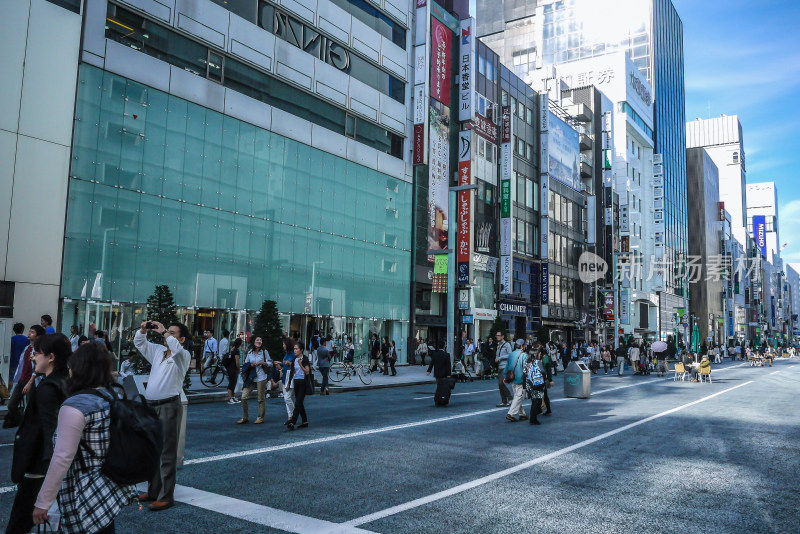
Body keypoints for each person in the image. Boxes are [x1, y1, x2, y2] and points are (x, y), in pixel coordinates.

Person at [32, 342, 136, 533]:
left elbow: (62, 457)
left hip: (82, 488)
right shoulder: (113, 395)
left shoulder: (75, 406)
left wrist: (43, 501)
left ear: (79, 369)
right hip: (108, 484)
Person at [5, 334, 70, 534]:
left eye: (36, 353)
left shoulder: (48, 388)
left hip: (38, 465)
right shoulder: (65, 382)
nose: (32, 357)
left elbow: (52, 431)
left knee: (19, 523)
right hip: (47, 465)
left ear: (51, 357)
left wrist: (51, 475)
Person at [134, 320, 191, 511]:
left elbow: (175, 348)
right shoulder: (158, 351)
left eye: (174, 333)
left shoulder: (183, 355)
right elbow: (140, 344)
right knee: (151, 450)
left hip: (169, 406)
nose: (169, 336)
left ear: (181, 339)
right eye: (169, 333)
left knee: (167, 452)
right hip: (151, 406)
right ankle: (153, 490)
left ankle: (166, 496)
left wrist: (165, 331)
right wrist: (143, 329)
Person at [5, 325, 46, 427]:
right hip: (22, 380)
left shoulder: (40, 349)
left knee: (30, 406)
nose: (29, 333)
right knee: (11, 405)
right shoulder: (27, 347)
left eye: (32, 332)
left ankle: (29, 427)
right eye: (29, 331)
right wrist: (17, 379)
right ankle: (23, 422)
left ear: (38, 336)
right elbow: (21, 365)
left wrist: (30, 382)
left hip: (32, 381)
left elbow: (37, 368)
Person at [238, 337, 270, 424]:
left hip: (261, 377)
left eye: (260, 340)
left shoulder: (264, 352)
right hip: (251, 377)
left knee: (260, 399)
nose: (259, 342)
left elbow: (270, 362)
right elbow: (245, 363)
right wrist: (251, 365)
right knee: (243, 396)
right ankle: (245, 417)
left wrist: (263, 363)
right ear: (254, 342)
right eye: (257, 340)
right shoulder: (250, 352)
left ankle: (260, 417)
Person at [504, 340, 529, 422]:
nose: (525, 347)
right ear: (522, 346)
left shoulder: (511, 354)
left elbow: (507, 367)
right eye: (524, 345)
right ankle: (511, 413)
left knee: (517, 397)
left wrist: (505, 377)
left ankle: (522, 414)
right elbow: (526, 369)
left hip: (512, 378)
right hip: (520, 379)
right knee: (518, 397)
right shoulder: (524, 355)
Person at [287, 344, 311, 430]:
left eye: (296, 349)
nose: (295, 350)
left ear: (301, 350)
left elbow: (307, 372)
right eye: (294, 349)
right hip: (296, 381)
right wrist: (288, 383)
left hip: (303, 382)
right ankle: (305, 421)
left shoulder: (304, 359)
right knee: (299, 402)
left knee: (298, 402)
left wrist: (300, 364)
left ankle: (293, 422)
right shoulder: (294, 359)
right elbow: (292, 372)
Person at [494, 331, 513, 407]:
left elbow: (510, 354)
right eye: (496, 335)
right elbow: (497, 355)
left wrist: (500, 358)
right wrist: (496, 359)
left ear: (502, 336)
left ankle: (510, 398)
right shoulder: (498, 346)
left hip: (505, 366)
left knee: (502, 383)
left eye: (499, 335)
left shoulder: (507, 345)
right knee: (500, 385)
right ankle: (504, 401)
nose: (497, 337)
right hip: (499, 366)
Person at [281, 339, 296, 426]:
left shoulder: (293, 354)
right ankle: (290, 417)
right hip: (284, 376)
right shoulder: (287, 353)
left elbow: (295, 366)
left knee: (287, 398)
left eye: (284, 344)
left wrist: (289, 363)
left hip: (290, 377)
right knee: (285, 399)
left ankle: (294, 413)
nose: (283, 346)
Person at [8, 323, 27, 387]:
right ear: (22, 330)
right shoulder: (26, 339)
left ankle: (9, 394)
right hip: (23, 363)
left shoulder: (11, 339)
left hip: (13, 362)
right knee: (21, 379)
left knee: (11, 379)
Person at [225, 338, 243, 404]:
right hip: (233, 369)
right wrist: (239, 369)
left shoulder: (232, 349)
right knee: (232, 383)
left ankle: (232, 397)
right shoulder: (236, 351)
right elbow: (237, 361)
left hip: (229, 368)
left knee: (233, 383)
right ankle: (230, 398)